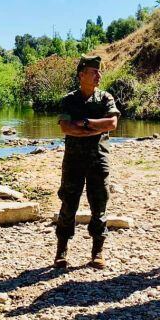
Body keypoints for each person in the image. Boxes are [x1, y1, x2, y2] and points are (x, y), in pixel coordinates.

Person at [54, 55, 120, 269]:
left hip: (98, 160)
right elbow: (66, 127)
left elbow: (111, 123)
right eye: (94, 72)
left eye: (99, 72)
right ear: (81, 75)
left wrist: (85, 123)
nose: (98, 75)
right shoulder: (69, 100)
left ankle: (97, 251)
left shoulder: (105, 98)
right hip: (73, 161)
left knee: (99, 205)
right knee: (68, 204)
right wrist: (93, 129)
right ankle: (61, 250)